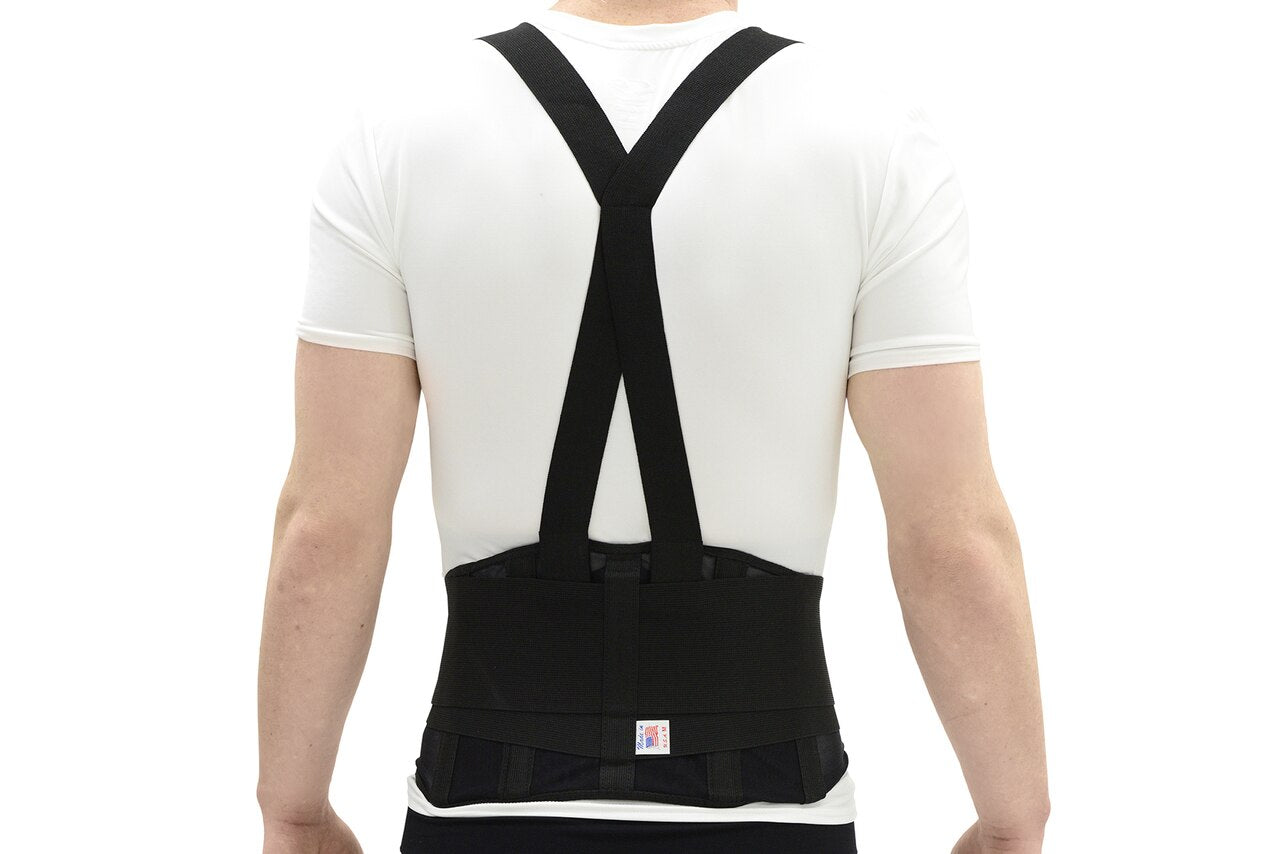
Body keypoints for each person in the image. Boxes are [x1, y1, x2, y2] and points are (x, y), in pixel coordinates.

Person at [256, 2, 1050, 852]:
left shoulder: (398, 135)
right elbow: (951, 540)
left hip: (484, 805)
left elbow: (327, 528)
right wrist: (1012, 820)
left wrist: (294, 811)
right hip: (774, 813)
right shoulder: (874, 139)